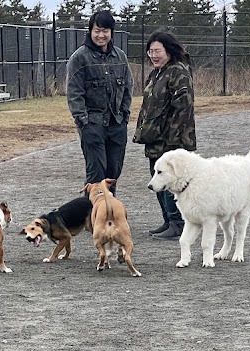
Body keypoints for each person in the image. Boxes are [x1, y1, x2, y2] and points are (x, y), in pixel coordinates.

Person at [133, 30, 196, 240]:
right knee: (157, 180)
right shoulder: (156, 73)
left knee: (170, 181)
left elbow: (183, 108)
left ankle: (178, 224)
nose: (153, 55)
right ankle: (168, 220)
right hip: (155, 140)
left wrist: (174, 144)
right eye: (150, 51)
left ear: (168, 50)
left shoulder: (179, 72)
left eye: (157, 51)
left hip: (172, 141)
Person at [66, 11, 133, 188]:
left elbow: (127, 88)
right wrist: (84, 123)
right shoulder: (79, 58)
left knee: (113, 174)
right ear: (90, 31)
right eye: (97, 30)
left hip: (117, 124)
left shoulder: (120, 57)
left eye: (105, 31)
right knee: (96, 176)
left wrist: (124, 116)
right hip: (92, 125)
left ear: (111, 32)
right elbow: (74, 93)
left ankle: (110, 213)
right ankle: (93, 214)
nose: (101, 35)